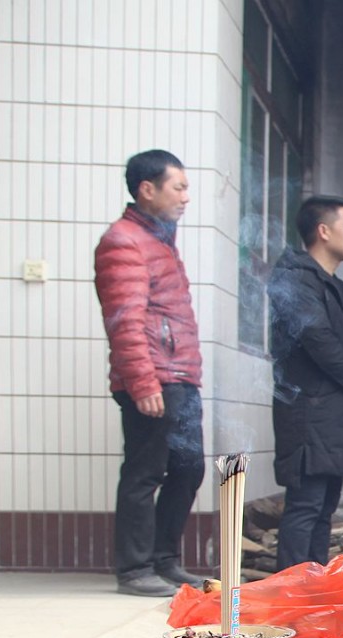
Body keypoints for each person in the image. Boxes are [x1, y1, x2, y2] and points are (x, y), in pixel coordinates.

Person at [94, 149, 205, 596]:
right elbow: (125, 319)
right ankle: (135, 569)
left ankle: (164, 559)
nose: (186, 197)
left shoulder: (160, 239)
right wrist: (143, 382)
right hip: (153, 378)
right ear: (147, 189)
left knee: (188, 468)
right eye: (178, 187)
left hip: (179, 376)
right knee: (145, 471)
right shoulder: (123, 240)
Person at [268, 196, 343, 570]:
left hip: (332, 414)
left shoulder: (337, 287)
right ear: (323, 231)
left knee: (324, 508)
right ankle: (291, 593)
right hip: (307, 414)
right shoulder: (295, 280)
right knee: (305, 506)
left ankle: (314, 590)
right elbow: (316, 337)